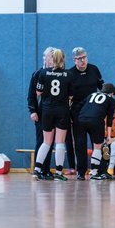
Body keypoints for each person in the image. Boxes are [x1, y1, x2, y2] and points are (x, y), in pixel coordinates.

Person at [32, 49, 73, 181]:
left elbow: (37, 92)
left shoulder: (43, 73)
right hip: (62, 110)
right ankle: (59, 173)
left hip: (47, 110)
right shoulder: (68, 74)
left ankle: (36, 170)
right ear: (63, 59)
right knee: (60, 142)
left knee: (46, 142)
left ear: (52, 59)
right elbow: (71, 95)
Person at [68, 47, 104, 180]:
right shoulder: (70, 73)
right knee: (80, 142)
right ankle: (81, 171)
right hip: (77, 112)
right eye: (79, 58)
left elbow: (102, 88)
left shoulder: (94, 69)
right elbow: (67, 97)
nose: (83, 61)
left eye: (84, 57)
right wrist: (69, 114)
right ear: (74, 60)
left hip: (93, 111)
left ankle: (98, 170)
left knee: (97, 142)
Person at [27, 47, 56, 180]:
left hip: (54, 113)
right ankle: (38, 169)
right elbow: (31, 95)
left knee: (51, 142)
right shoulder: (38, 73)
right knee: (41, 141)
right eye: (45, 57)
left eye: (49, 57)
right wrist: (32, 111)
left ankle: (46, 169)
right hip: (41, 112)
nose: (46, 60)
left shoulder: (58, 74)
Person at [78, 83, 115, 180]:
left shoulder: (91, 94)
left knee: (81, 146)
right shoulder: (110, 100)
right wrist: (108, 136)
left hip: (81, 120)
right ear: (112, 94)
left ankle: (81, 172)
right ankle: (94, 173)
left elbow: (80, 105)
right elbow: (110, 120)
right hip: (96, 120)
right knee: (97, 147)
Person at [102, 99, 115, 179]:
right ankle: (102, 168)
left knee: (114, 145)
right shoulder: (103, 117)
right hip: (104, 138)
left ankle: (111, 168)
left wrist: (113, 139)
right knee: (104, 146)